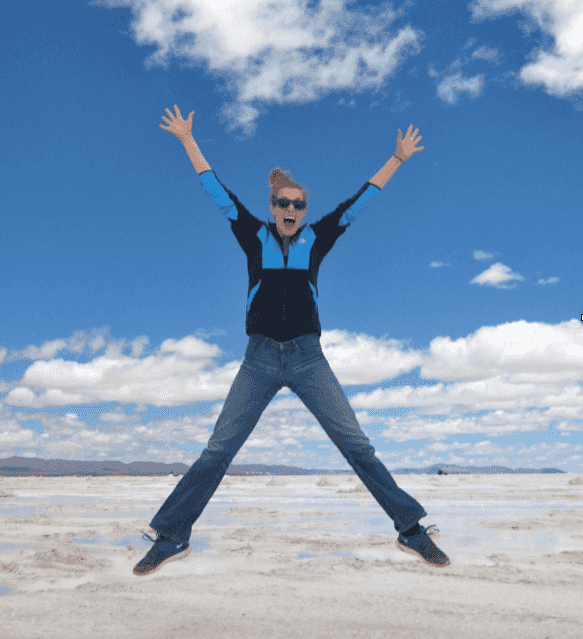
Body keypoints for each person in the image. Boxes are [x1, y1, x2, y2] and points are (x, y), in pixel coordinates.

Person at [133, 105, 450, 576]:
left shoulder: (317, 239)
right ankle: (173, 535)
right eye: (284, 204)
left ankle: (410, 528)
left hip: (307, 358)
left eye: (299, 205)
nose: (291, 211)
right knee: (219, 450)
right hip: (259, 358)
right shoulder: (252, 234)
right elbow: (214, 189)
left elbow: (361, 201)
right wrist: (187, 140)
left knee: (357, 446)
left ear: (305, 212)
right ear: (272, 207)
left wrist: (398, 158)